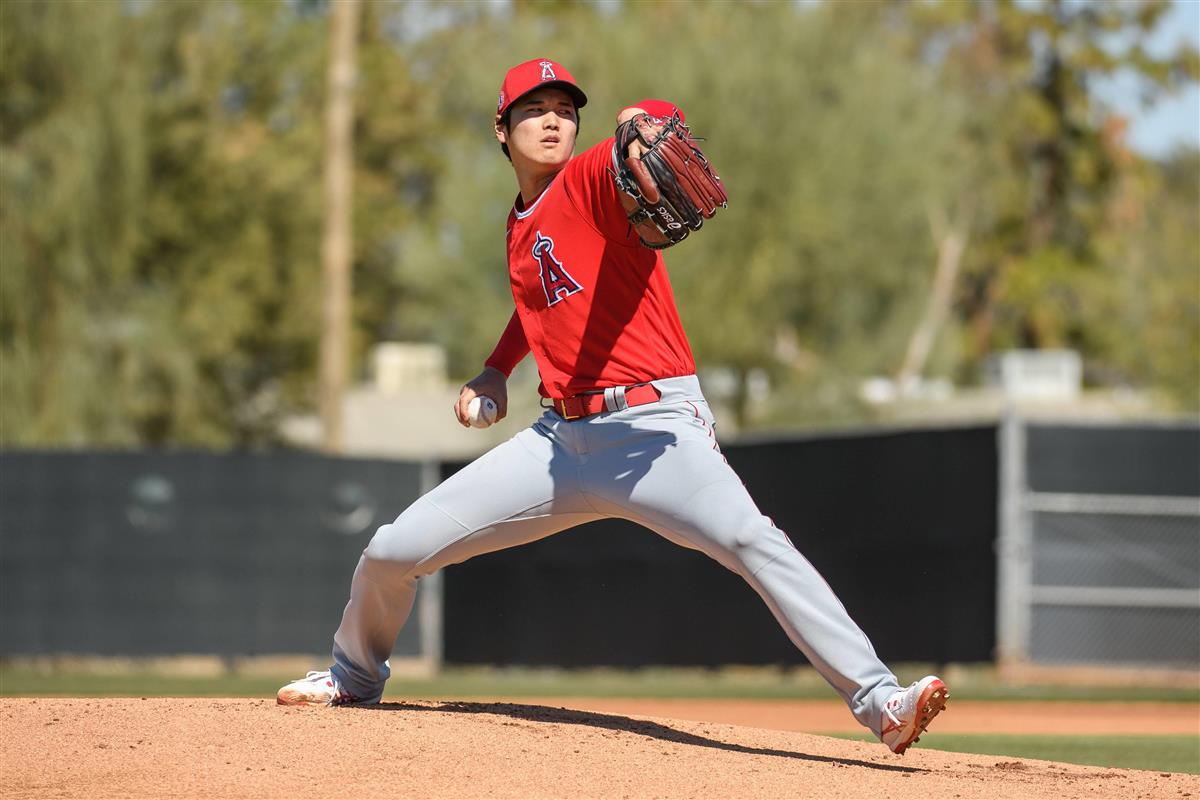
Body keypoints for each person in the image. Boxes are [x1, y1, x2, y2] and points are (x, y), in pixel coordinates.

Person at [278, 58, 948, 755]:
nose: (551, 120)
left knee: (755, 541)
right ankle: (354, 676)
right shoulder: (518, 224)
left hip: (654, 431)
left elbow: (659, 113)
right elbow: (535, 300)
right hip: (559, 444)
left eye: (565, 110)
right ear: (500, 130)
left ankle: (881, 702)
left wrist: (635, 121)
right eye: (534, 109)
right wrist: (496, 371)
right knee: (392, 550)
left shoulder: (595, 179)